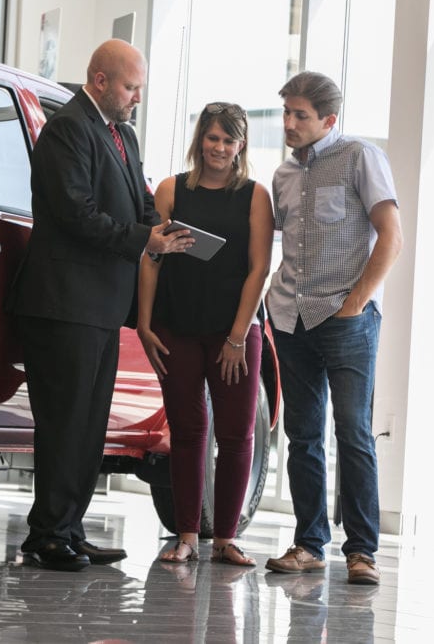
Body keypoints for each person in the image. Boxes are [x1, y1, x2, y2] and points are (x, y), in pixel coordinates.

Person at [6, 39, 191, 572]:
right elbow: (75, 214)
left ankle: (69, 529)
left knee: (89, 426)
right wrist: (143, 241)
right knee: (64, 424)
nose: (137, 98)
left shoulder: (123, 136)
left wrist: (167, 229)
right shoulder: (67, 129)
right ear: (102, 80)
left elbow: (137, 202)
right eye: (132, 87)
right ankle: (46, 536)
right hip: (62, 304)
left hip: (100, 307)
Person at [263, 71, 402, 585]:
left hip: (346, 319)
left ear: (329, 119)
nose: (289, 123)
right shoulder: (282, 175)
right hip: (289, 317)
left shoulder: (361, 158)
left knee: (354, 432)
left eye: (300, 115)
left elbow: (391, 236)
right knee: (302, 435)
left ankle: (362, 552)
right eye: (286, 113)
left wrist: (356, 302)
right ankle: (308, 544)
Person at [137, 102, 274, 567]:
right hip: (177, 325)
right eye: (212, 138)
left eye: (228, 140)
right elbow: (151, 258)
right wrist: (144, 321)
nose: (219, 148)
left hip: (233, 331)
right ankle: (187, 536)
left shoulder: (255, 196)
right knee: (188, 431)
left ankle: (226, 538)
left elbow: (259, 268)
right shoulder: (171, 190)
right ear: (200, 140)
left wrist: (238, 336)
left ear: (241, 147)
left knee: (236, 435)